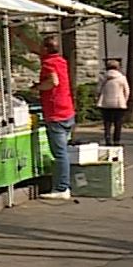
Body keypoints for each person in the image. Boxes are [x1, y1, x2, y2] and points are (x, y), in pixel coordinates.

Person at [37, 36, 77, 200]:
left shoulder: (48, 63)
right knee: (64, 151)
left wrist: (38, 87)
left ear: (46, 49)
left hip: (55, 113)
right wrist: (18, 34)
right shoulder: (61, 61)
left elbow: (53, 81)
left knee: (59, 153)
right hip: (67, 110)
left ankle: (62, 187)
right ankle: (63, 184)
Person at [98, 58, 129, 147]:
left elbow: (98, 90)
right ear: (118, 67)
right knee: (118, 123)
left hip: (105, 103)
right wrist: (124, 100)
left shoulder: (103, 77)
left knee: (107, 123)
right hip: (119, 103)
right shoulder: (122, 78)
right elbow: (127, 91)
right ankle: (116, 140)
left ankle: (108, 139)